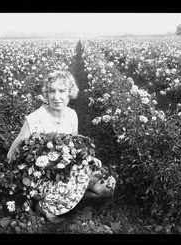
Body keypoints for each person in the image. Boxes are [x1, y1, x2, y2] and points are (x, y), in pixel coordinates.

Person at [7, 70, 116, 223]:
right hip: (42, 176)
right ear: (46, 93)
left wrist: (90, 158)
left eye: (62, 91)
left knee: (106, 187)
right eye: (52, 91)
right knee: (84, 175)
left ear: (70, 93)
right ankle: (45, 205)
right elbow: (19, 143)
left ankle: (65, 199)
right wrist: (11, 169)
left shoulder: (72, 115)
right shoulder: (36, 118)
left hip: (65, 171)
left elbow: (77, 145)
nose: (56, 97)